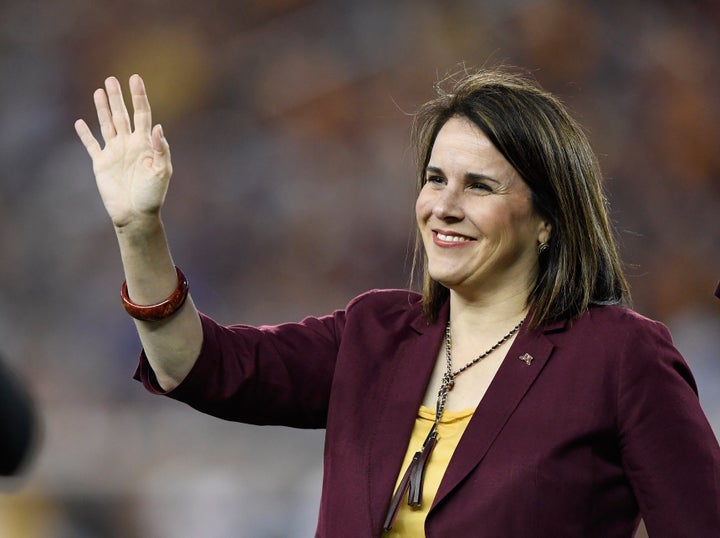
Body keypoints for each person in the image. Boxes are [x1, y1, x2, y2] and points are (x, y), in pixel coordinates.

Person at [75, 68, 720, 537]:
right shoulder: (375, 332)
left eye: (479, 186)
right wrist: (140, 231)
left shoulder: (618, 355)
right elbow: (199, 367)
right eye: (435, 178)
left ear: (547, 218)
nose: (444, 205)